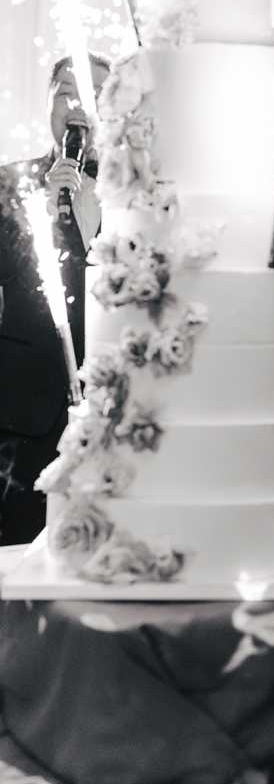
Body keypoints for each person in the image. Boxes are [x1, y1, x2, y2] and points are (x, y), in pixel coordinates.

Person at [0, 52, 109, 544]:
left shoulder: (139, 197)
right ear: (47, 104)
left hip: (113, 410)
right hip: (26, 417)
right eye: (66, 93)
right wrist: (36, 219)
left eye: (94, 95)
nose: (78, 106)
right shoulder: (8, 184)